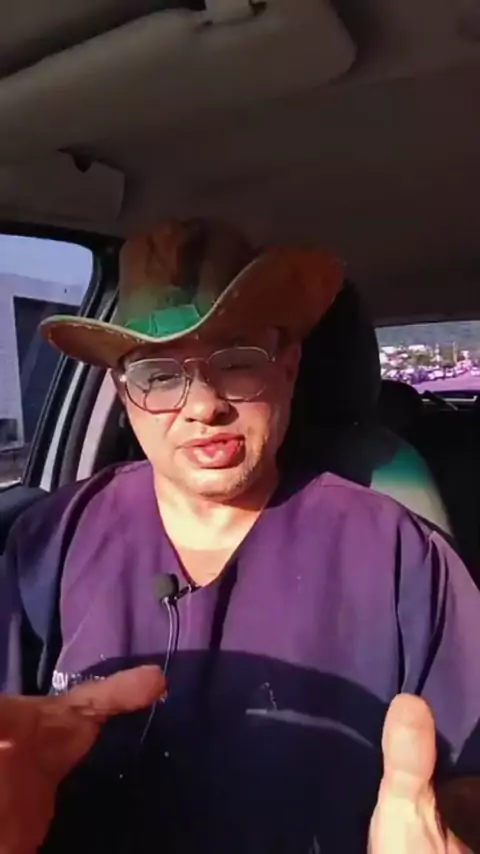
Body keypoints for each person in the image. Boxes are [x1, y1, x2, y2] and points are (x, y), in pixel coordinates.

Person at [0, 219, 479, 854]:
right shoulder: (49, 540)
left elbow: (469, 769)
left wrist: (449, 825)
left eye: (238, 362)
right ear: (123, 391)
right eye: (158, 376)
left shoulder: (399, 553)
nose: (204, 407)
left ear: (289, 366)